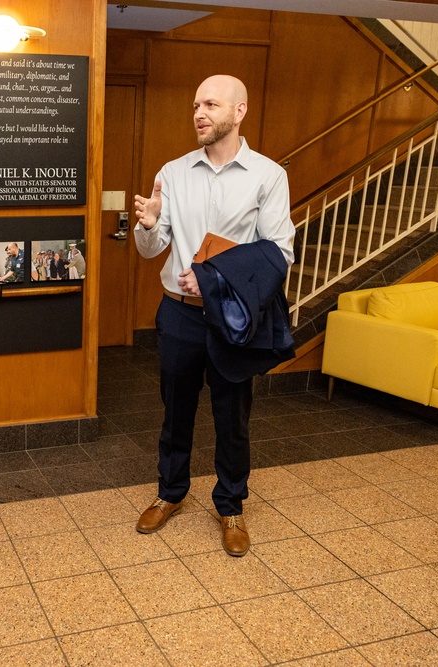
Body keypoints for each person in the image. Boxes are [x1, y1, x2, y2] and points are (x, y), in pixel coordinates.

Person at [132, 75, 295, 557]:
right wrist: (147, 224)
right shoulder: (174, 172)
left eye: (211, 104)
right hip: (178, 315)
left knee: (232, 417)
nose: (199, 113)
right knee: (175, 410)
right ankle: (170, 493)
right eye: (195, 104)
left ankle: (230, 505)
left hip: (233, 320)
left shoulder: (268, 175)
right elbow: (151, 249)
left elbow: (278, 251)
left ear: (239, 111)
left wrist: (213, 277)